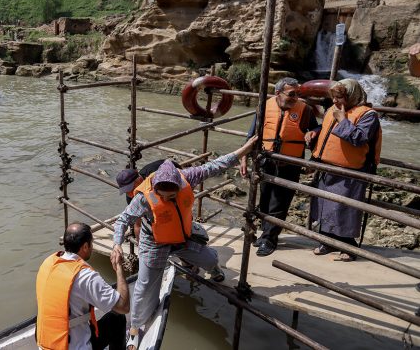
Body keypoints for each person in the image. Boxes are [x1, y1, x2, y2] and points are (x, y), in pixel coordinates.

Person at [110, 137, 257, 349]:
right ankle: (134, 328)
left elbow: (216, 165)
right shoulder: (143, 197)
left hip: (181, 236)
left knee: (210, 258)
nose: (168, 199)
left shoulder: (187, 176)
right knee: (144, 287)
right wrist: (116, 243)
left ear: (179, 185)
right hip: (155, 243)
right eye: (164, 197)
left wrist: (244, 150)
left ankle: (214, 269)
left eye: (172, 196)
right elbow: (124, 220)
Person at [240, 77, 319, 257]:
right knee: (266, 200)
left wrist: (313, 133)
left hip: (289, 163)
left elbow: (318, 129)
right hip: (265, 161)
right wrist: (243, 158)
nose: (295, 98)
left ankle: (270, 239)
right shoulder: (265, 106)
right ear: (278, 93)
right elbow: (252, 134)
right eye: (291, 94)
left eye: (297, 94)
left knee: (280, 203)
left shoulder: (304, 110)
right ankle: (266, 234)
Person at [307, 79, 382, 262]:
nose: (334, 102)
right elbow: (325, 129)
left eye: (339, 98)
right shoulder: (333, 110)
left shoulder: (368, 115)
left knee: (345, 208)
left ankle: (349, 246)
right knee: (325, 206)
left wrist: (342, 120)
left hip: (351, 171)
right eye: (333, 98)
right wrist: (315, 132)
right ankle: (328, 241)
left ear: (352, 96)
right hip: (327, 167)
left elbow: (359, 138)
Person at [36, 222, 129, 350]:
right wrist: (119, 268)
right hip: (74, 347)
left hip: (46, 344)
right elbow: (123, 306)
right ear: (85, 246)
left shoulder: (47, 263)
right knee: (117, 318)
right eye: (91, 243)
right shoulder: (85, 276)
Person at [117, 160, 183, 239]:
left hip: (173, 178)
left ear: (139, 180)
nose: (130, 193)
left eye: (131, 189)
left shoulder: (155, 176)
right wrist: (140, 245)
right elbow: (137, 225)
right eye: (126, 191)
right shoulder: (131, 196)